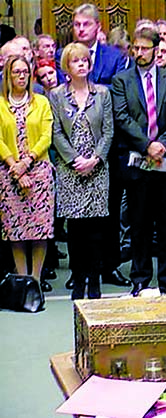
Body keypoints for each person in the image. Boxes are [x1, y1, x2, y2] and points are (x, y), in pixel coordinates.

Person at [111, 26, 166, 297]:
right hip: (137, 162)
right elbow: (122, 117)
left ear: (156, 50)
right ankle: (140, 278)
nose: (139, 53)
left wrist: (162, 144)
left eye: (145, 48)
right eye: (136, 48)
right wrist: (147, 145)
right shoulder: (122, 80)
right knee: (140, 223)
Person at [48, 43, 112, 299]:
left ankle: (95, 280)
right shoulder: (56, 95)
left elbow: (108, 131)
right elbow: (56, 133)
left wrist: (95, 160)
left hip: (97, 169)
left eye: (85, 60)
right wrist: (75, 160)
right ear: (67, 66)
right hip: (70, 169)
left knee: (96, 229)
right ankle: (78, 278)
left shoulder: (103, 94)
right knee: (75, 231)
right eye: (76, 61)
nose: (82, 65)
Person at [0, 55, 55, 290]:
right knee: (16, 229)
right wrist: (15, 166)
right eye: (16, 72)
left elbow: (46, 135)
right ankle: (22, 281)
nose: (21, 76)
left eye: (25, 72)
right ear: (8, 76)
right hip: (9, 172)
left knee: (40, 229)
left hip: (39, 172)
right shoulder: (0, 104)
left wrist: (27, 162)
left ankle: (36, 280)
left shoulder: (41, 101)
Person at [64, 3, 128, 87]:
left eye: (86, 24)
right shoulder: (63, 55)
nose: (81, 29)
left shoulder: (115, 56)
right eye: (77, 25)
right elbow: (64, 88)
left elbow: (119, 88)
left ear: (98, 26)